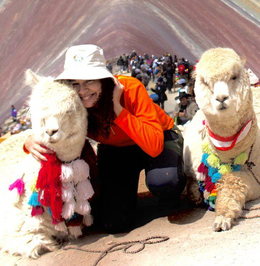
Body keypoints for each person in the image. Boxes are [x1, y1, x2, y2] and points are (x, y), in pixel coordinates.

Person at [25, 44, 185, 233]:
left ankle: (171, 195)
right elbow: (54, 126)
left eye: (89, 81)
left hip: (159, 137)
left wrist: (117, 107)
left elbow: (154, 146)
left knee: (164, 180)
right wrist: (29, 142)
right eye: (75, 84)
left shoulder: (131, 89)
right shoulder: (76, 105)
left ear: (103, 80)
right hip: (117, 149)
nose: (82, 91)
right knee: (113, 221)